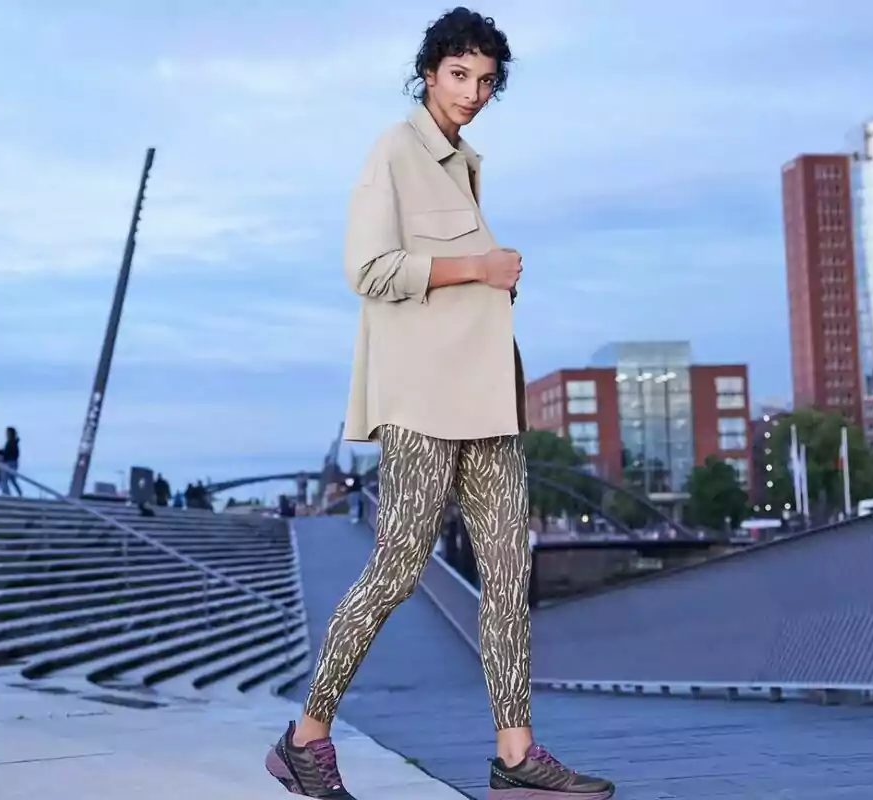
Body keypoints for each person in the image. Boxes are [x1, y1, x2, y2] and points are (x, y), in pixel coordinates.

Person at [263, 9, 614, 800]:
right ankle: (305, 737)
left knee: (508, 573)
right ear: (429, 73)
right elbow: (368, 268)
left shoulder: (465, 163)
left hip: (489, 399)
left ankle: (516, 757)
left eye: (488, 80)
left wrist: (492, 280)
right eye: (461, 75)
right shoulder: (394, 150)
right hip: (422, 398)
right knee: (396, 565)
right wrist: (479, 269)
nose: (474, 92)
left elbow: (454, 270)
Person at [0, 426, 22, 495]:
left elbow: (6, 453)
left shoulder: (11, 443)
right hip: (13, 463)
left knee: (3, 478)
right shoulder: (13, 443)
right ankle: (19, 493)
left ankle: (7, 493)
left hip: (9, 463)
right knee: (12, 479)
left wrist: (0, 453)